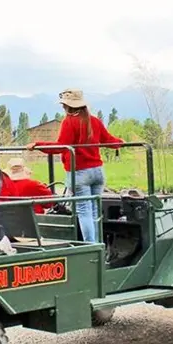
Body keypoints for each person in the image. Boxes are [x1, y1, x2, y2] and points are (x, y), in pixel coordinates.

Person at [26, 88, 124, 243]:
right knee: (94, 211)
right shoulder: (94, 121)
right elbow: (109, 140)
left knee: (83, 211)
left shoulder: (69, 122)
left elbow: (61, 146)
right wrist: (121, 143)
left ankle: (91, 246)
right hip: (98, 172)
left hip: (79, 172)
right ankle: (99, 244)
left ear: (66, 106)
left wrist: (37, 144)